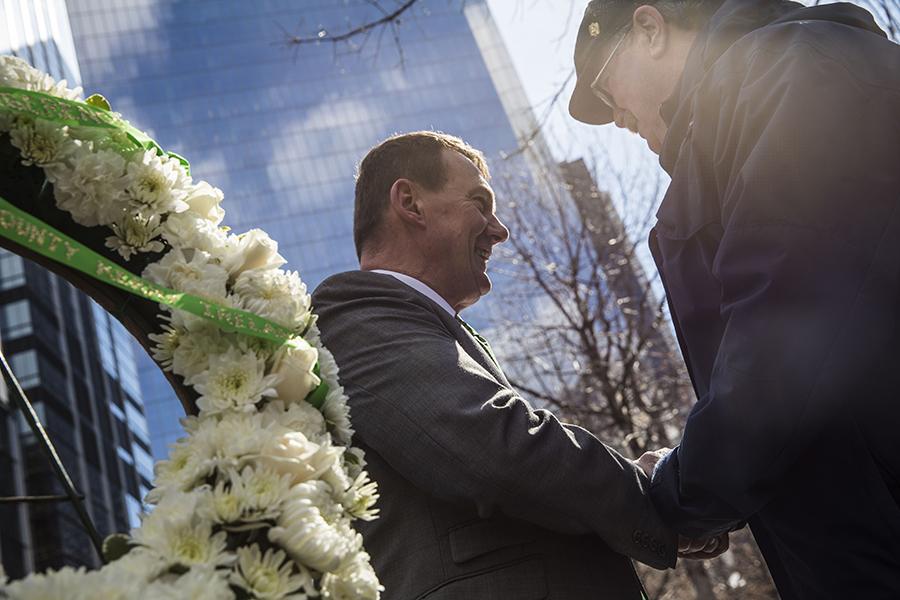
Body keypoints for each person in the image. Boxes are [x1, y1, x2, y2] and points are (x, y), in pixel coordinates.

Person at [568, 0, 900, 597]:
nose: (615, 117)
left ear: (649, 29)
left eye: (603, 83)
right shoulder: (726, 133)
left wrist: (681, 492)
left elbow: (781, 328)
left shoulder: (795, 71)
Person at [311, 131, 721, 599]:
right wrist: (650, 491)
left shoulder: (417, 327)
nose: (499, 229)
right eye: (479, 203)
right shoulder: (355, 311)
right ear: (410, 202)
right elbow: (493, 445)